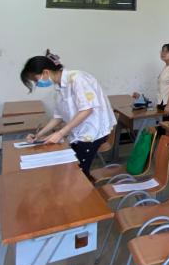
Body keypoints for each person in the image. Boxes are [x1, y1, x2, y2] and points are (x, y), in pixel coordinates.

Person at [20, 50, 116, 180]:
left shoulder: (78, 78)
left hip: (92, 132)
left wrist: (60, 133)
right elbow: (58, 117)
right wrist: (39, 135)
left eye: (35, 80)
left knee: (78, 173)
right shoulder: (59, 87)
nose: (37, 84)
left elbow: (87, 110)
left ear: (46, 72)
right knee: (69, 169)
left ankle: (85, 190)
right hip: (78, 132)